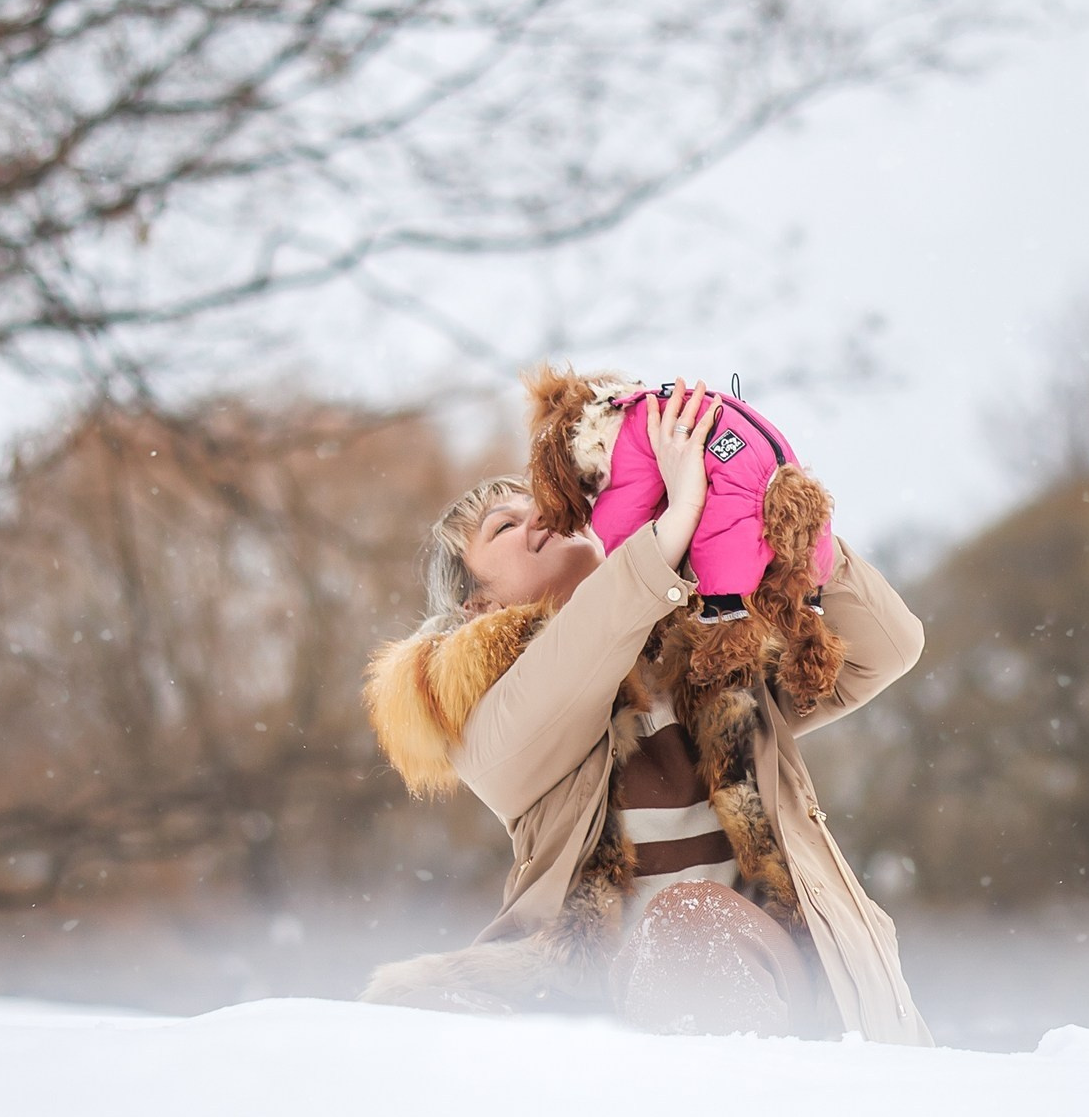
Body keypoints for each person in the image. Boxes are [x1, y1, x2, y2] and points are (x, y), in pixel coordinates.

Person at [361, 380, 931, 1042]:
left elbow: (886, 647)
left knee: (691, 926)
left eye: (534, 502)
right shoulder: (479, 705)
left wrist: (773, 515)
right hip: (588, 990)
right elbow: (569, 669)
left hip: (780, 961)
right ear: (477, 605)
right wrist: (668, 530)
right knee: (421, 1025)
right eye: (504, 527)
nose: (535, 517)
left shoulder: (714, 643)